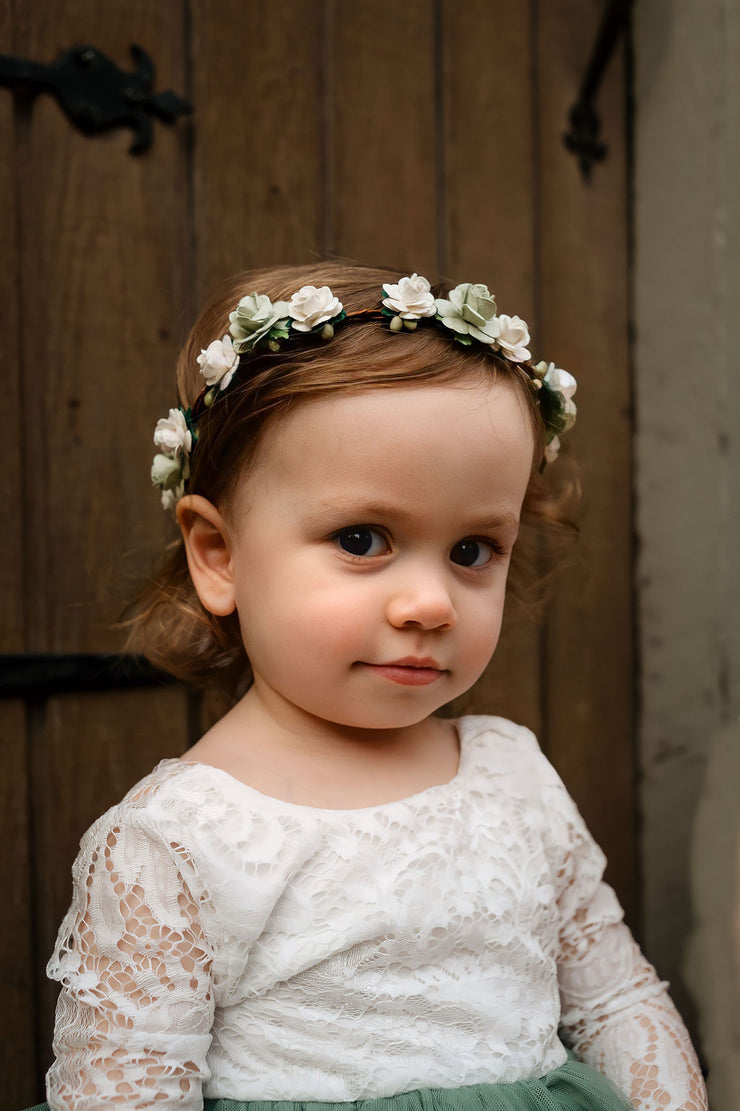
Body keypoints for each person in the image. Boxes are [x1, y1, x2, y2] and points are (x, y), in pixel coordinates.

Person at [37, 264, 707, 1111]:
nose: (430, 603)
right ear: (220, 555)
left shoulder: (512, 773)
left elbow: (617, 1000)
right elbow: (123, 1092)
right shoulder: (174, 841)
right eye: (363, 538)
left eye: (473, 551)